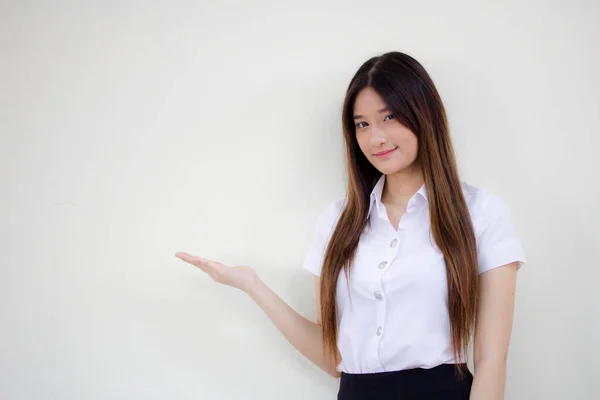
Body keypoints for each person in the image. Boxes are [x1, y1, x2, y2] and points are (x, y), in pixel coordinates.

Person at [175, 51, 526, 399]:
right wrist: (253, 286)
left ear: (424, 115)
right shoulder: (337, 221)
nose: (376, 138)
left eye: (390, 117)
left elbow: (492, 359)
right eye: (362, 124)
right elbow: (336, 359)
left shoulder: (480, 213)